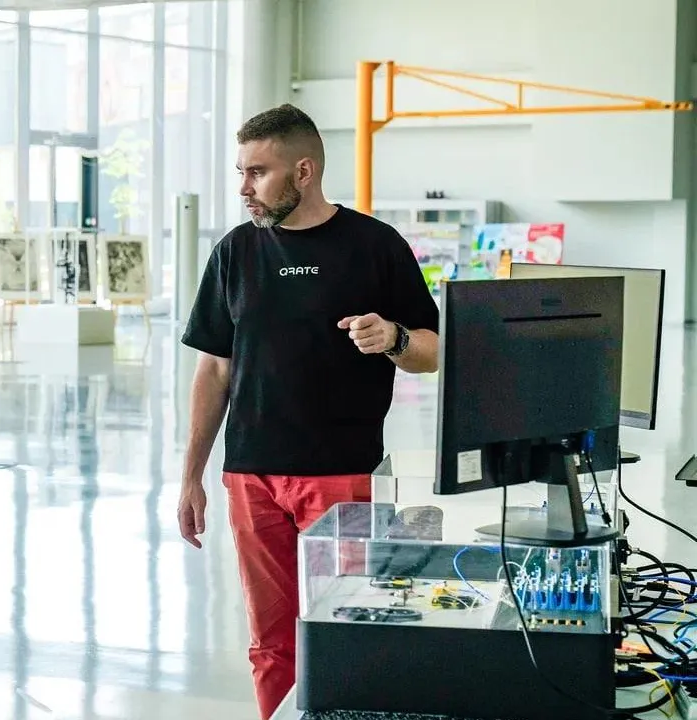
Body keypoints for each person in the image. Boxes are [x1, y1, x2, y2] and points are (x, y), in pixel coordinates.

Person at [175, 104, 441, 718]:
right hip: (252, 477)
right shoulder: (235, 252)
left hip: (342, 476)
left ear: (303, 171)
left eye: (258, 172)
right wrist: (191, 476)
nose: (244, 187)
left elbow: (431, 350)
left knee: (346, 630)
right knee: (271, 642)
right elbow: (214, 370)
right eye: (241, 172)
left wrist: (394, 337)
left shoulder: (375, 245)